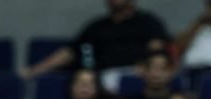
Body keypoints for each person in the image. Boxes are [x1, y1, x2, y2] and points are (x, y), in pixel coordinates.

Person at [19, 0, 169, 87]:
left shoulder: (148, 22)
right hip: (102, 79)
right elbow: (68, 53)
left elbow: (157, 53)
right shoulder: (96, 27)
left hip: (137, 78)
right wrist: (32, 72)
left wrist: (143, 70)